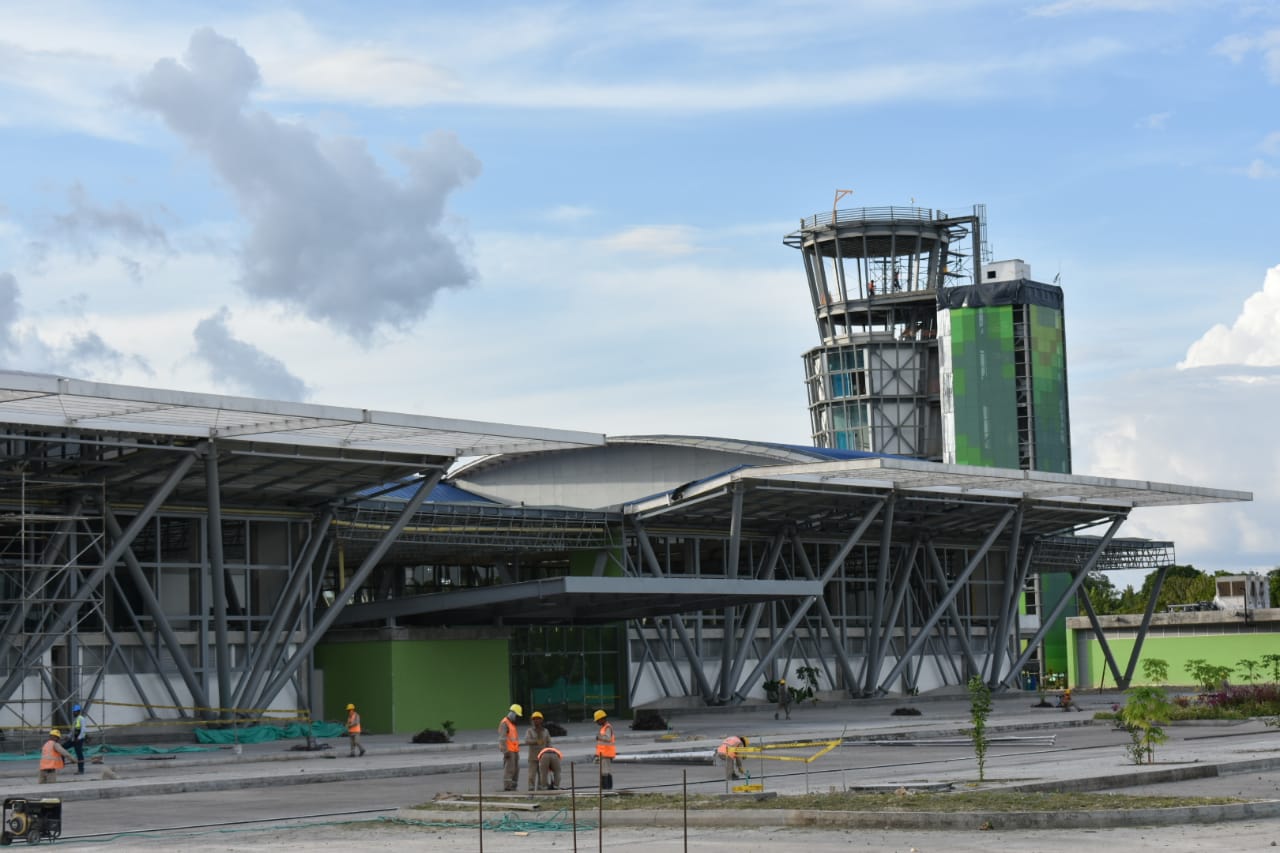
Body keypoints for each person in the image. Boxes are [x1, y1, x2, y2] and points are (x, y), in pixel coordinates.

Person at [524, 710, 551, 791]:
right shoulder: (530, 731)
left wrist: (550, 752)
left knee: (542, 775)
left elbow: (549, 743)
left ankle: (541, 790)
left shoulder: (545, 731)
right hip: (533, 757)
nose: (536, 721)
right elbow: (527, 741)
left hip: (543, 757)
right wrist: (536, 742)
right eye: (534, 719)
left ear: (541, 720)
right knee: (531, 775)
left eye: (538, 719)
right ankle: (531, 790)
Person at [499, 703, 522, 791]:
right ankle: (508, 786)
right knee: (509, 769)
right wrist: (505, 751)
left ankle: (513, 786)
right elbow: (502, 738)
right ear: (512, 714)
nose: (517, 718)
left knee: (516, 769)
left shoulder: (512, 724)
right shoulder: (505, 723)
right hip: (509, 751)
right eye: (517, 715)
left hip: (515, 750)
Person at [593, 708, 615, 790]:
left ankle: (607, 788)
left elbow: (608, 738)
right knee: (604, 771)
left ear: (602, 719)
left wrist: (599, 737)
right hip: (603, 754)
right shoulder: (603, 727)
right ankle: (605, 788)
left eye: (598, 720)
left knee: (606, 772)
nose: (597, 722)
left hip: (606, 754)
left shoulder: (607, 727)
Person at [70, 704, 87, 774]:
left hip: (79, 739)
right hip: (75, 739)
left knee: (79, 754)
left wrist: (79, 738)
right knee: (63, 746)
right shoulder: (75, 720)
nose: (73, 713)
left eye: (75, 712)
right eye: (73, 712)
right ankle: (62, 762)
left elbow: (83, 730)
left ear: (78, 711)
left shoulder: (81, 719)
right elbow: (73, 730)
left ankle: (81, 770)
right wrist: (68, 736)